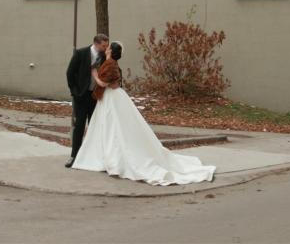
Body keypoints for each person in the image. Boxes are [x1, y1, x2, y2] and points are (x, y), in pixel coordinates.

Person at [72, 41, 216, 186]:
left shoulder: (110, 64)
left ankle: (111, 158)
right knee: (113, 127)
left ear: (111, 51)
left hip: (111, 98)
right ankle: (107, 157)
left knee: (112, 127)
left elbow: (104, 83)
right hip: (112, 97)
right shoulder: (111, 62)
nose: (106, 49)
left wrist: (95, 75)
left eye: (108, 48)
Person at [65, 33, 109, 168]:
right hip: (81, 96)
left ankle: (92, 156)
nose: (105, 47)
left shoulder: (104, 56)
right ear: (96, 43)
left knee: (94, 126)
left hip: (95, 96)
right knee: (79, 126)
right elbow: (70, 73)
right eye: (103, 45)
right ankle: (74, 155)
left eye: (106, 45)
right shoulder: (80, 53)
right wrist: (75, 92)